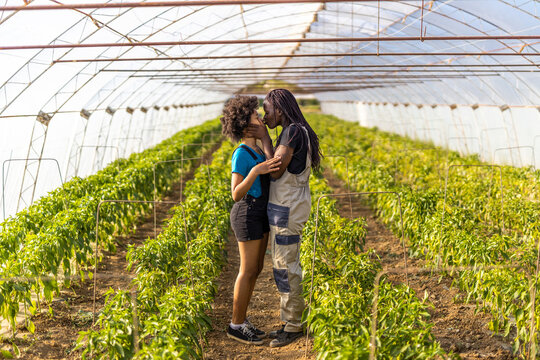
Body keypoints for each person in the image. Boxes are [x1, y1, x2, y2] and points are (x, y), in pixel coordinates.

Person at [247, 89, 322, 348]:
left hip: (287, 209)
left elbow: (276, 172)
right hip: (289, 207)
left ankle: (293, 325)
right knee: (284, 264)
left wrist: (266, 141)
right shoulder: (297, 130)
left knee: (286, 266)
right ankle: (290, 320)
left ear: (279, 109)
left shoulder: (291, 132)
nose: (265, 115)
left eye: (267, 110)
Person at [220, 95, 282, 345]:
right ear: (246, 124)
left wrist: (266, 147)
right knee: (246, 271)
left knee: (256, 269)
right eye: (256, 116)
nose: (261, 119)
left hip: (260, 213)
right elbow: (236, 193)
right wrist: (256, 171)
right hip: (247, 212)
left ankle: (243, 321)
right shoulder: (242, 154)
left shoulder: (257, 148)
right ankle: (236, 324)